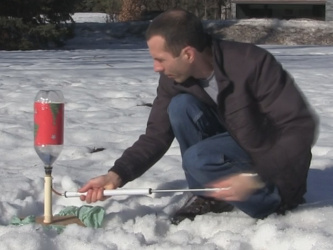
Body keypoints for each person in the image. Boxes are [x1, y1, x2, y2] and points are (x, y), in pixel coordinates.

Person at [79, 8, 318, 225]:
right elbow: (156, 135)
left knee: (198, 159)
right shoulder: (174, 78)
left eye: (160, 59)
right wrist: (115, 175)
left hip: (277, 170)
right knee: (180, 106)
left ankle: (271, 202)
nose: (156, 68)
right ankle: (209, 195)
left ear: (188, 54)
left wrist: (255, 178)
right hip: (237, 142)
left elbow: (298, 127)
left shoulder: (252, 64)